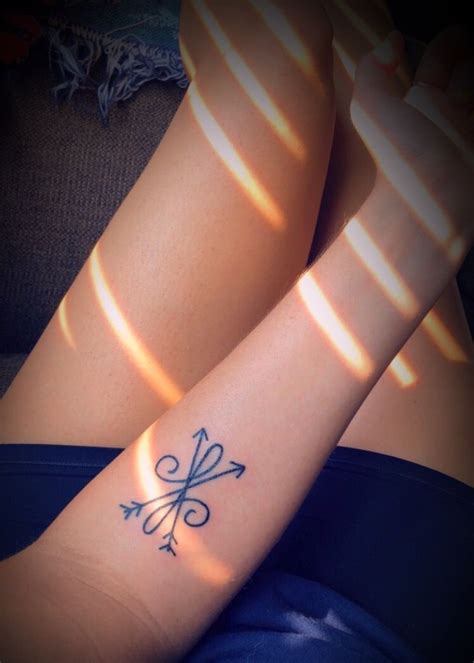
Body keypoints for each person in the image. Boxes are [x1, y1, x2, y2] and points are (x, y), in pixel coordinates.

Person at [0, 0, 473, 660]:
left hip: (74, 545)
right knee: (363, 60)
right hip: (371, 583)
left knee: (277, 45)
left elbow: (101, 586)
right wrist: (405, 228)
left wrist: (404, 233)